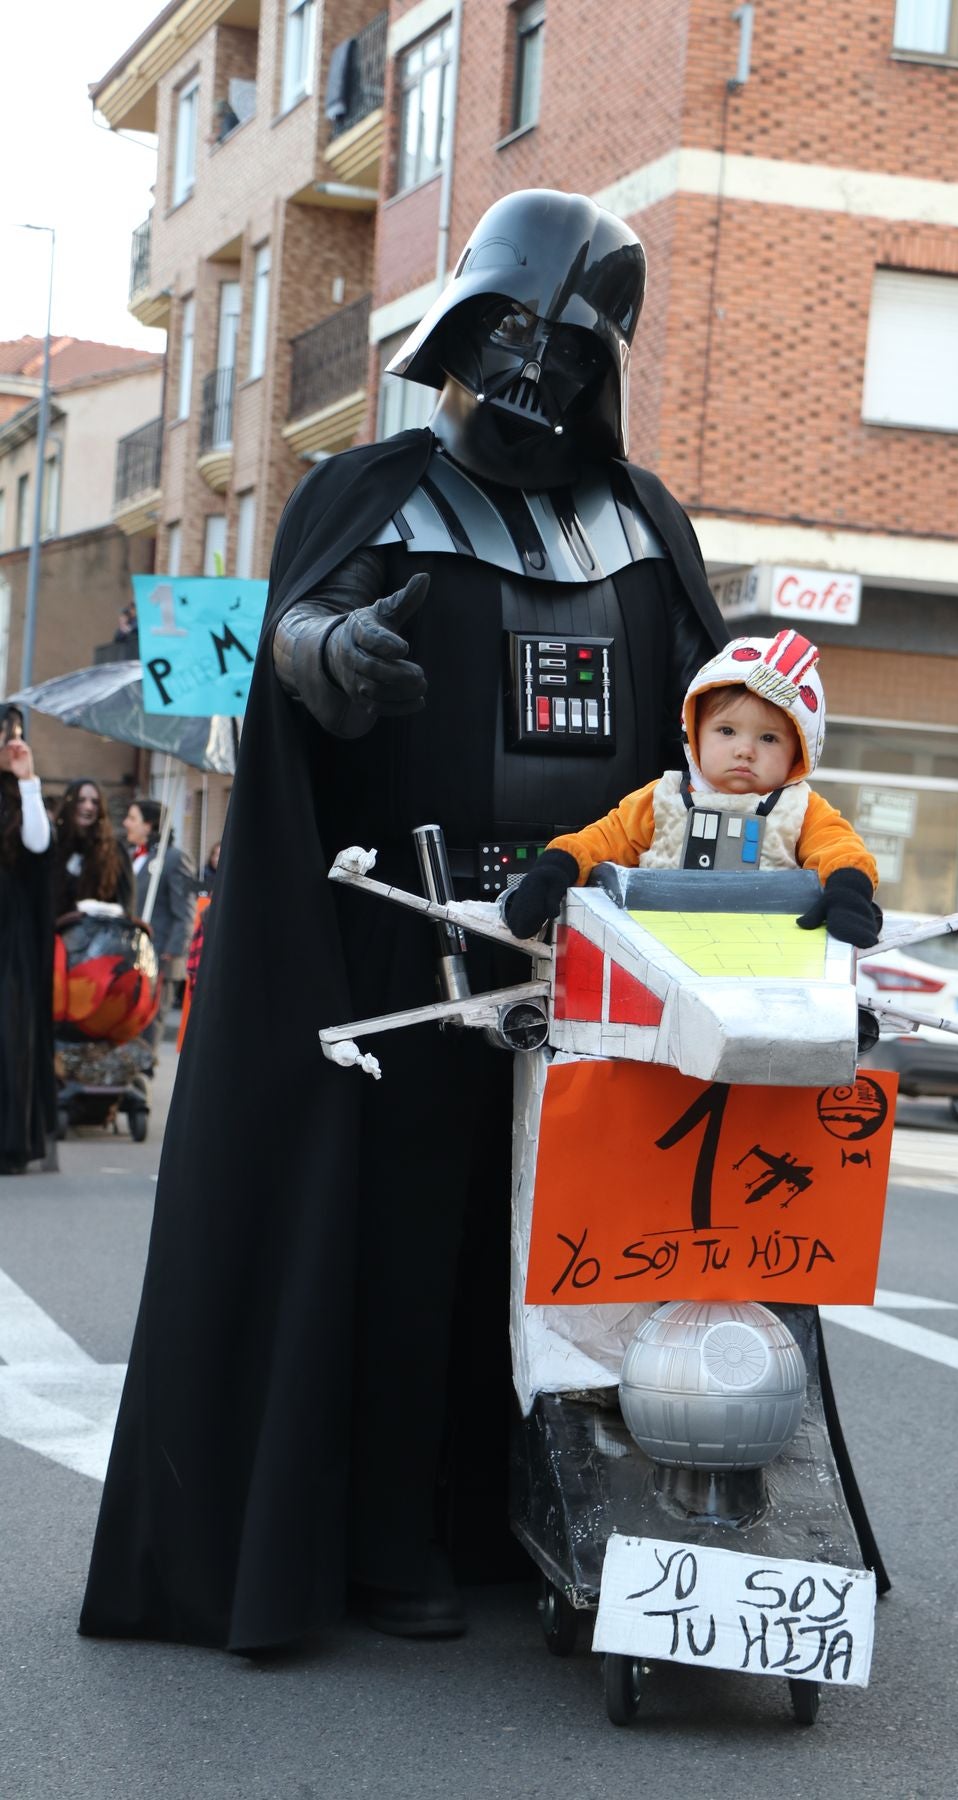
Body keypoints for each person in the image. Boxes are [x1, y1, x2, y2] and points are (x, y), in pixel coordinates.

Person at [81, 189, 881, 1655]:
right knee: (403, 1242)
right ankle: (390, 1535)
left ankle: (596, 1516)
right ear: (460, 329)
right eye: (511, 337)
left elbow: (728, 730)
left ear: (604, 370)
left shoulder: (642, 523)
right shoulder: (374, 492)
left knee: (598, 1243)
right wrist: (328, 654)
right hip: (413, 938)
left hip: (607, 954)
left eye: (567, 351)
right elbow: (298, 645)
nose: (534, 376)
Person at [503, 630, 881, 946]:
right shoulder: (661, 797)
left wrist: (848, 892)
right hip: (655, 956)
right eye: (727, 731)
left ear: (799, 750)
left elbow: (839, 848)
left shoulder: (801, 808)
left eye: (768, 738)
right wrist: (555, 869)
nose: (745, 750)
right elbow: (601, 839)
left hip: (765, 959)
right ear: (694, 733)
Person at [0, 723, 56, 1175]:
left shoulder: (23, 795)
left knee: (10, 1031)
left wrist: (27, 779)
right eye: (6, 736)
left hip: (9, 933)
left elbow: (38, 843)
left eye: (18, 734)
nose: (13, 743)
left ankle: (9, 1140)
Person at [122, 798, 196, 987]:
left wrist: (173, 951)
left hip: (159, 954)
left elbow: (185, 911)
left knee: (154, 1016)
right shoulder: (131, 856)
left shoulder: (174, 859)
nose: (125, 823)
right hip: (129, 954)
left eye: (132, 818)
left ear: (148, 826)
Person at [52, 780, 135, 921]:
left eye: (95, 802)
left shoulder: (114, 851)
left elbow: (126, 905)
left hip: (100, 934)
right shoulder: (54, 846)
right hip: (55, 935)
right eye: (81, 800)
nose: (88, 807)